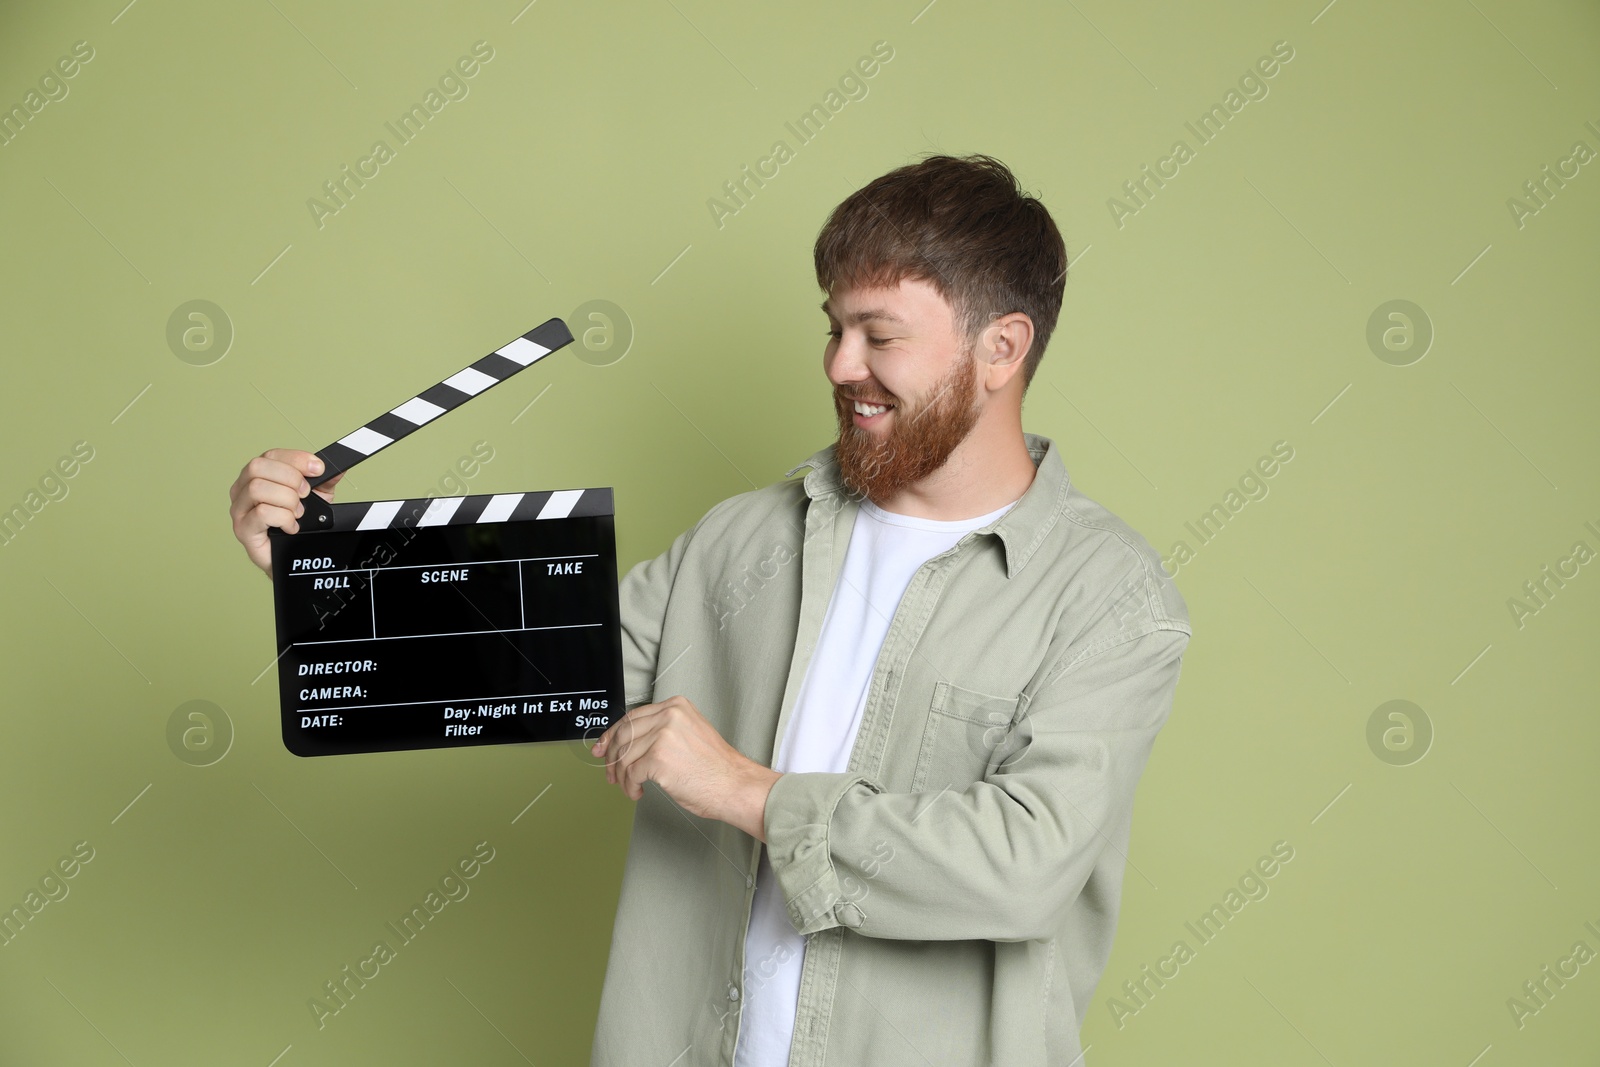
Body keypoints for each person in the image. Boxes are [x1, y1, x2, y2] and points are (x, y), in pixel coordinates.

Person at [229, 153, 1191, 1066]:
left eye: (880, 334)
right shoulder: (745, 540)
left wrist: (744, 790)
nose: (837, 364)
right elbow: (553, 672)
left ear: (1002, 348)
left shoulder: (1109, 599)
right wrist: (327, 574)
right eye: (833, 327)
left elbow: (1023, 865)